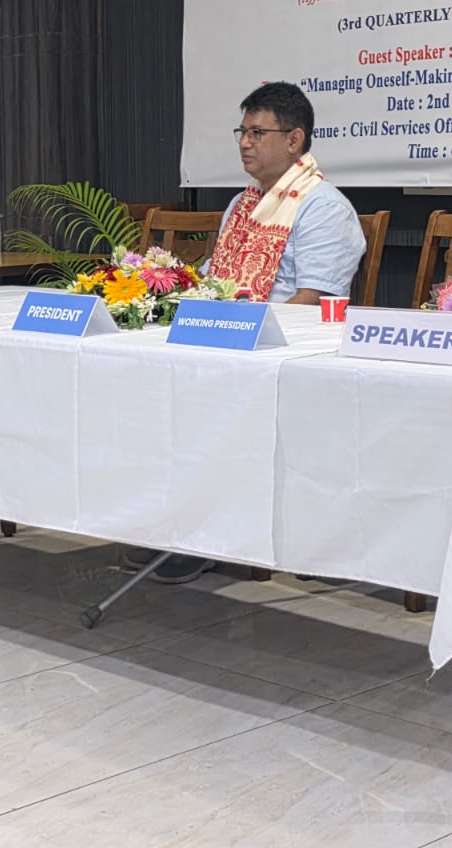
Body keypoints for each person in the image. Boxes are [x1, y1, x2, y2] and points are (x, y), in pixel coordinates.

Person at [130, 81, 366, 583]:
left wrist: (240, 336)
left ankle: (207, 535)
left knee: (201, 392)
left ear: (295, 140)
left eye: (258, 132)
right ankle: (169, 522)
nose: (244, 142)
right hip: (231, 340)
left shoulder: (323, 207)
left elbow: (316, 301)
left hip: (285, 352)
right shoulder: (241, 204)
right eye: (241, 131)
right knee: (146, 376)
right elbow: (213, 280)